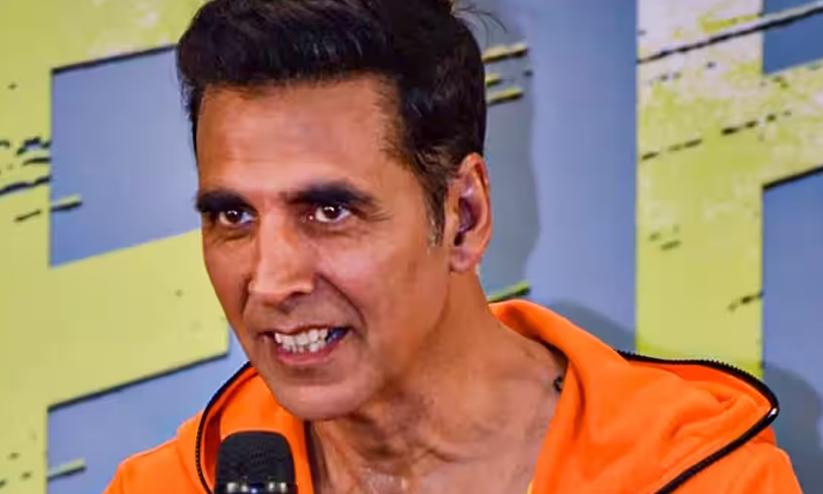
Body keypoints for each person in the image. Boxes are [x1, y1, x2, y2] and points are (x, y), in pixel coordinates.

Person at [104, 0, 801, 492]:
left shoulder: (703, 477)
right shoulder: (165, 485)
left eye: (329, 210)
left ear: (464, 215)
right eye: (232, 215)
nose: (270, 279)